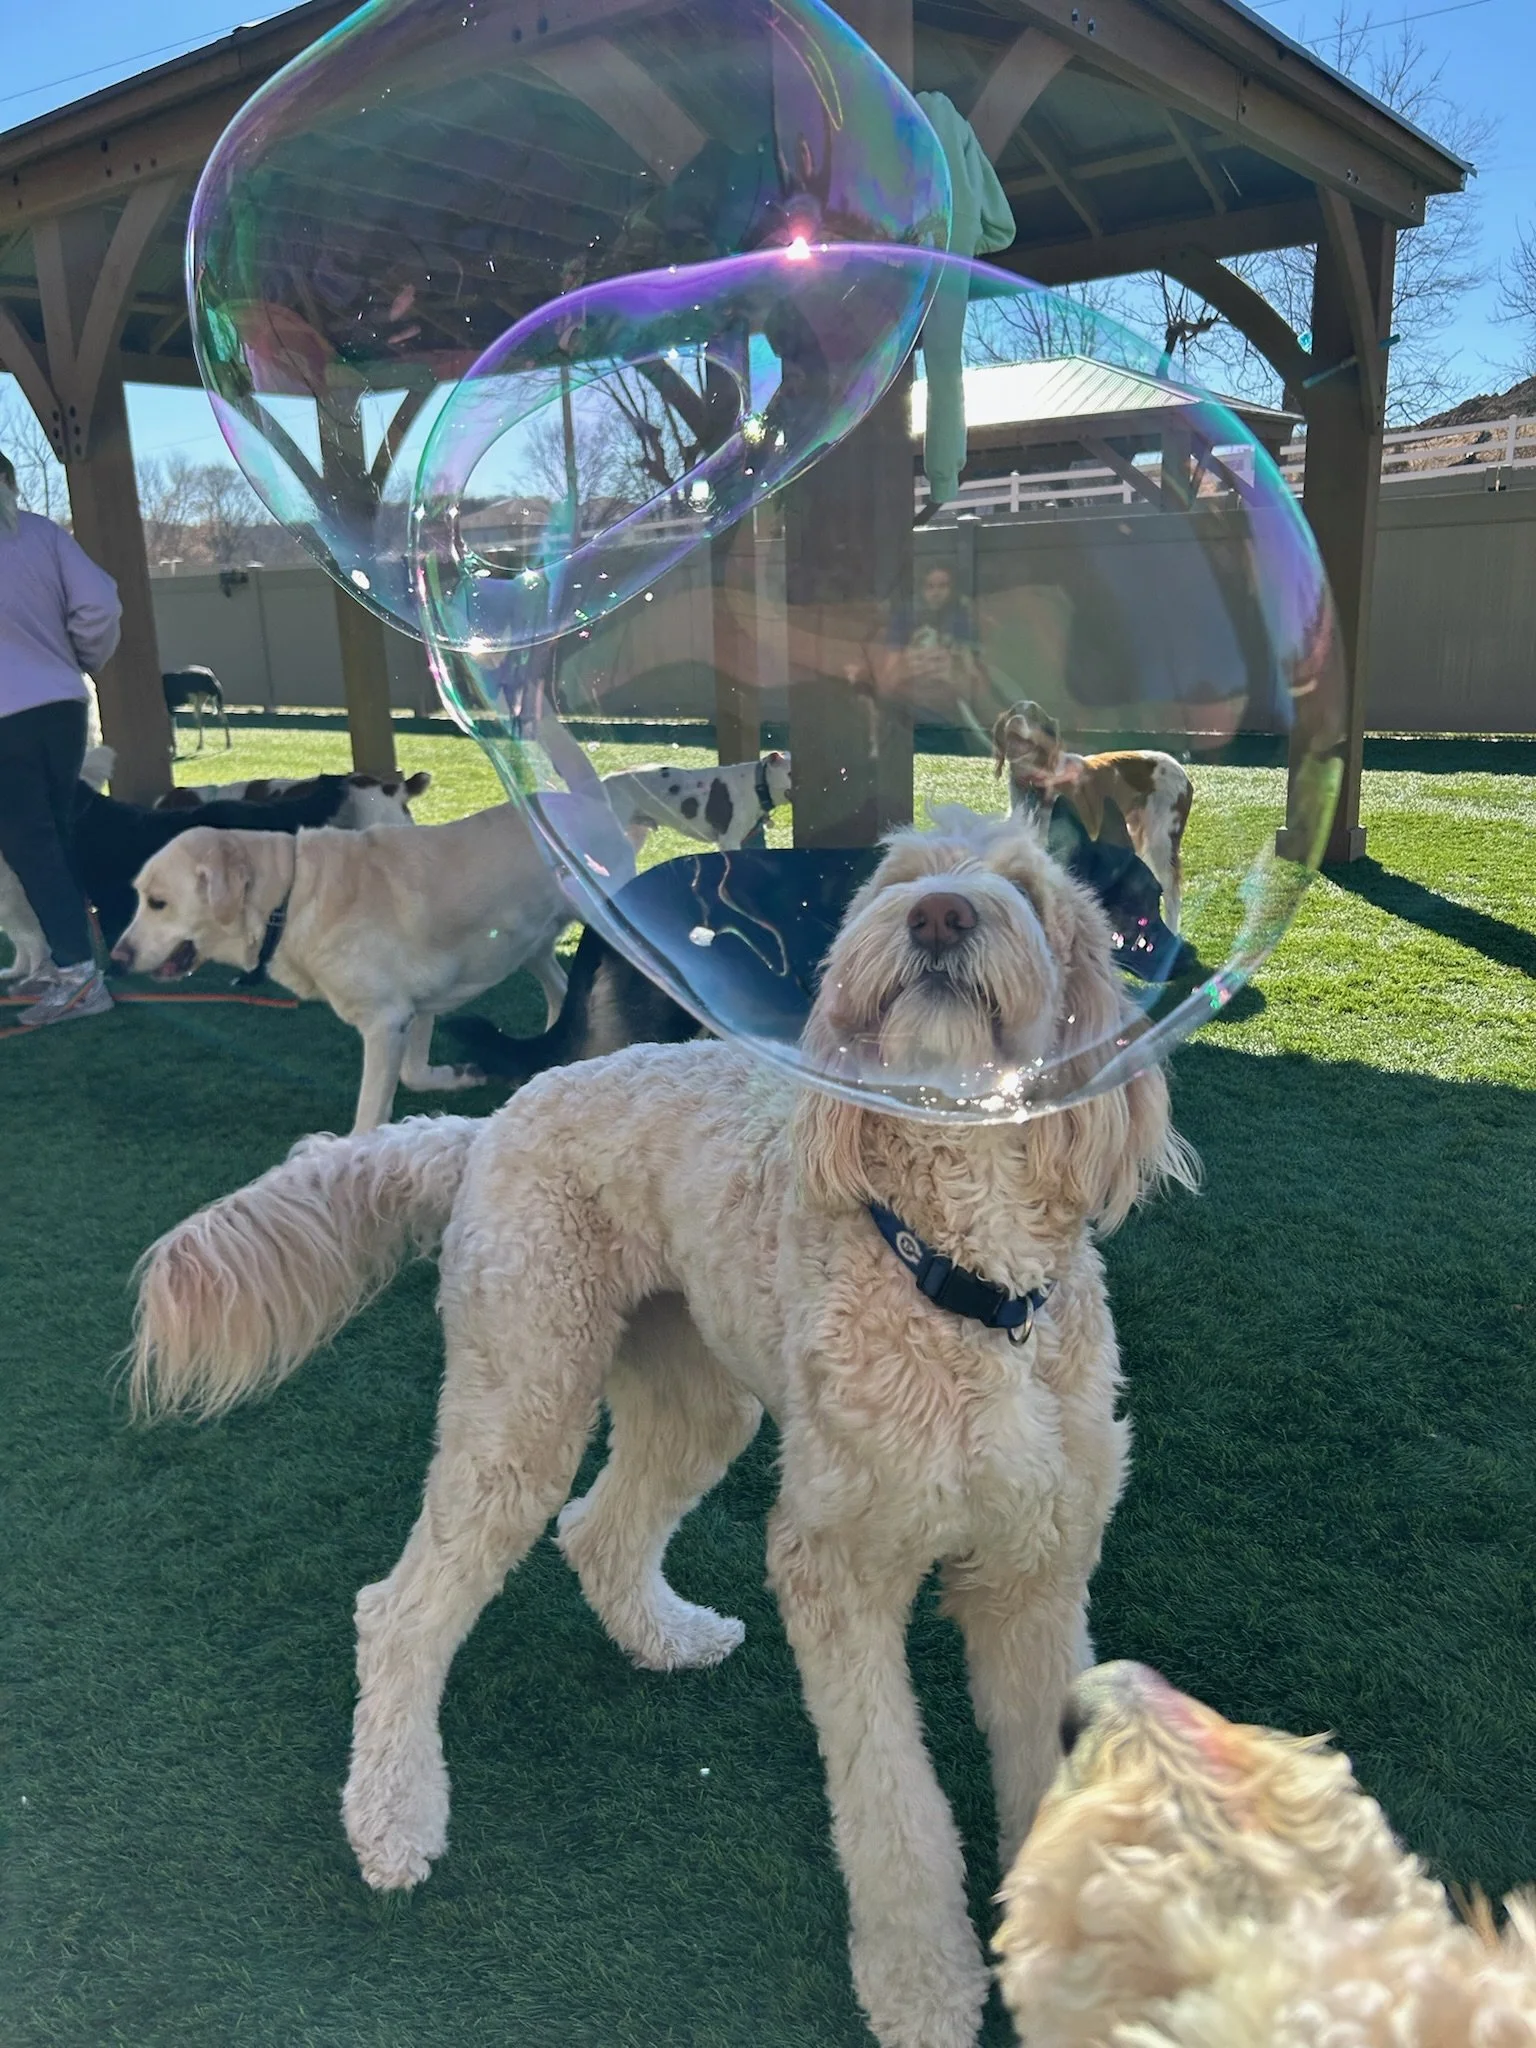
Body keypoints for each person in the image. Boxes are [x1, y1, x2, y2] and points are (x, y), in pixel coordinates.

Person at [0, 450, 122, 1027]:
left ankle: (76, 975)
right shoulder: (44, 536)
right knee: (56, 834)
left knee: (31, 845)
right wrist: (74, 662)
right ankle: (69, 961)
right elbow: (98, 604)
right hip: (62, 706)